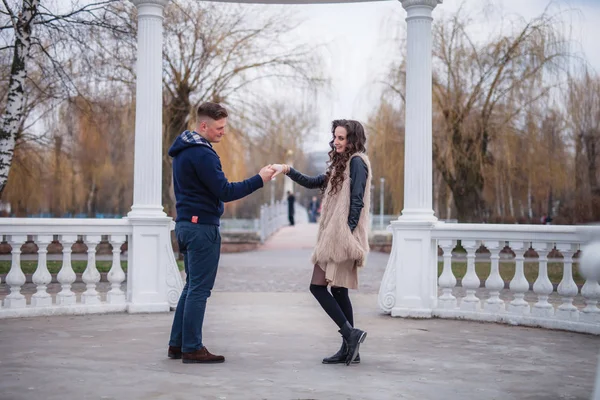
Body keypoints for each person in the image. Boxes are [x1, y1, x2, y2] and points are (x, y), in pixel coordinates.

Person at [167, 102, 275, 364]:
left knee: (191, 286)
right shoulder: (202, 154)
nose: (223, 132)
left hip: (185, 224)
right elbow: (225, 191)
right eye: (219, 127)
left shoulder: (183, 150)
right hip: (202, 228)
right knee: (200, 290)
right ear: (203, 125)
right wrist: (259, 179)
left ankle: (177, 344)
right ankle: (192, 347)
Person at [272, 119, 371, 365]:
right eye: (335, 137)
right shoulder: (341, 164)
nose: (336, 142)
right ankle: (350, 348)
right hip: (333, 235)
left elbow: (357, 200)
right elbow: (313, 182)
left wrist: (346, 233)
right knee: (338, 289)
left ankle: (350, 335)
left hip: (342, 236)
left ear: (352, 139)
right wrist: (287, 169)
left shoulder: (357, 162)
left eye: (341, 138)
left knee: (317, 287)